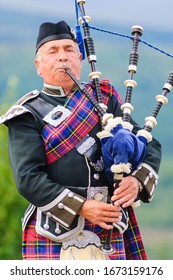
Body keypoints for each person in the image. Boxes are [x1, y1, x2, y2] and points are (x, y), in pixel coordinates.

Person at [0, 20, 161, 260]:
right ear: (38, 65)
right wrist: (82, 207)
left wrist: (136, 181)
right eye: (53, 51)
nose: (62, 57)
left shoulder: (105, 100)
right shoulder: (26, 113)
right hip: (53, 231)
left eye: (69, 50)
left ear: (79, 58)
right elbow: (28, 179)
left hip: (110, 226)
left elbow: (147, 144)